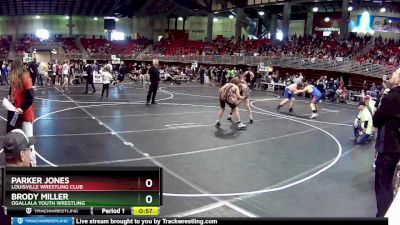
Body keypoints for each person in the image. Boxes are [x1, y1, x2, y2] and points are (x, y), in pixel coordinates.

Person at [373, 68, 400, 217]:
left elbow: (376, 121)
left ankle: (383, 215)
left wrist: (383, 99)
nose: (392, 75)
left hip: (388, 146)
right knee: (391, 183)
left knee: (383, 185)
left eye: (395, 73)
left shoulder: (390, 98)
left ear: (398, 80)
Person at [9, 58, 36, 166]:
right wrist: (11, 100)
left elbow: (30, 98)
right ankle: (22, 162)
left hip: (25, 114)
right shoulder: (15, 79)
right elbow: (15, 95)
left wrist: (21, 108)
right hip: (16, 114)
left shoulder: (25, 77)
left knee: (29, 141)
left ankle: (33, 163)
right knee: (18, 140)